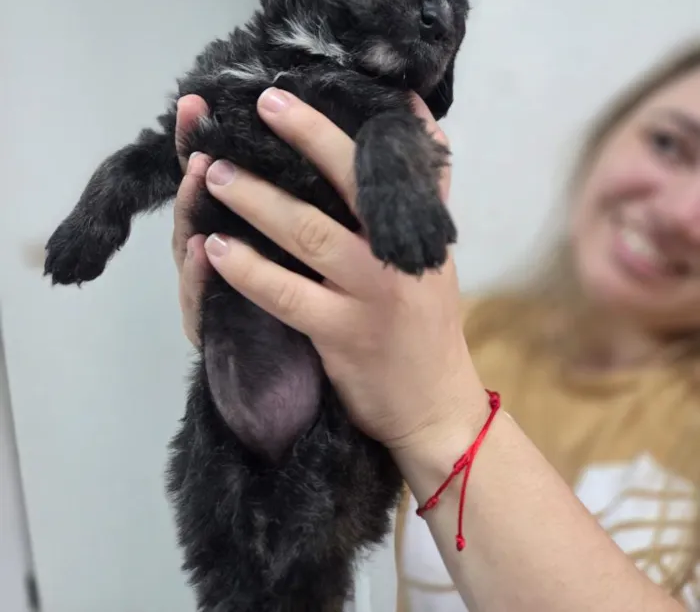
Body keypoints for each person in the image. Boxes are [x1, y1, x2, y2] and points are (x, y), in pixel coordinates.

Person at [172, 39, 700, 612]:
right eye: (670, 144)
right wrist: (267, 357)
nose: (679, 213)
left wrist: (436, 412)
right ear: (611, 129)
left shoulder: (423, 353)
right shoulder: (430, 327)